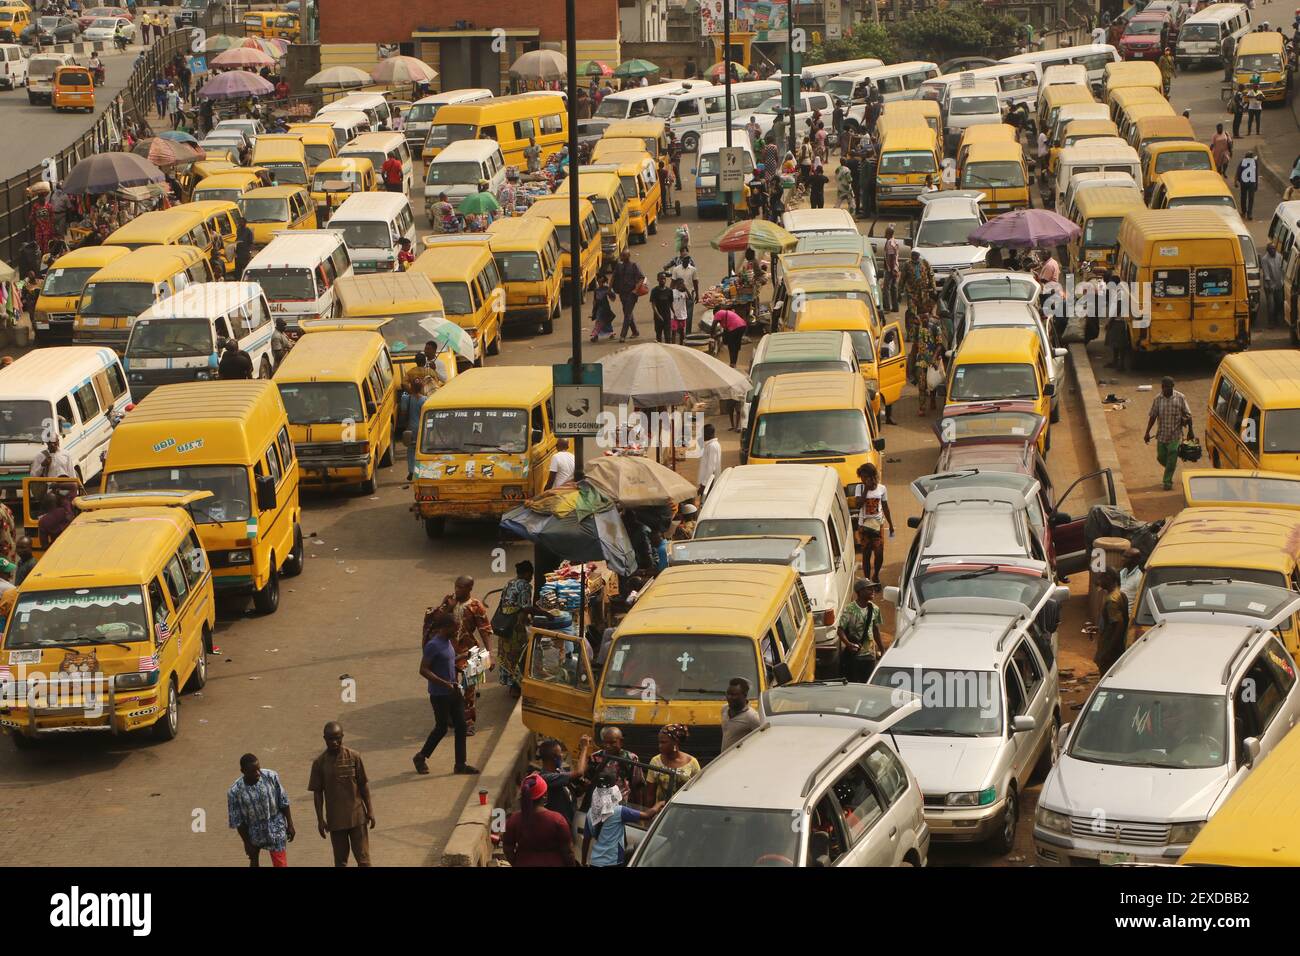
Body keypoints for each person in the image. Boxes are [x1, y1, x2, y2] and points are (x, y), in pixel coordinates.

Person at [414, 609, 479, 775]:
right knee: (441, 728)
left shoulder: (448, 642)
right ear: (445, 627)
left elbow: (448, 661)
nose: (457, 630)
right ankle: (420, 757)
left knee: (461, 726)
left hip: (453, 691)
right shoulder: (433, 645)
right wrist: (443, 683)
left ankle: (460, 764)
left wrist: (464, 655)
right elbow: (423, 670)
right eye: (455, 627)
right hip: (439, 694)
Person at [432, 576, 494, 734]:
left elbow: (485, 631)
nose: (456, 590)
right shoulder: (449, 601)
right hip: (447, 652)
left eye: (461, 587)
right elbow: (436, 622)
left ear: (469, 589)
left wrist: (489, 654)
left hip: (470, 653)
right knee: (449, 687)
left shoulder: (476, 606)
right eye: (456, 586)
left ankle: (468, 723)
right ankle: (450, 716)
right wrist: (448, 608)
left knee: (469, 689)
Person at [308, 722, 374, 867]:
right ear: (324, 738)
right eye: (330, 739)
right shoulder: (319, 763)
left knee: (364, 861)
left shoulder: (354, 757)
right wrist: (320, 819)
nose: (334, 742)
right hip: (336, 821)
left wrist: (370, 810)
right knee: (341, 862)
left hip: (357, 818)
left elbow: (363, 785)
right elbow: (317, 794)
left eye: (337, 738)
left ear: (342, 737)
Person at [582, 768, 661, 867]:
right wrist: (659, 804)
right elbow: (648, 815)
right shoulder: (619, 811)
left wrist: (583, 861)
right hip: (613, 862)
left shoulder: (590, 812)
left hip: (595, 862)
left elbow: (586, 840)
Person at [228, 753, 295, 867]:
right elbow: (238, 821)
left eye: (258, 769)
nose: (258, 773)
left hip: (276, 827)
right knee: (254, 862)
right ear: (243, 771)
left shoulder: (271, 776)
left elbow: (283, 801)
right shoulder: (235, 791)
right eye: (253, 771)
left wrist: (290, 824)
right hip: (253, 832)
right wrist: (247, 843)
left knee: (281, 863)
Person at [502, 773, 575, 866]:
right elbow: (568, 852)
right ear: (544, 795)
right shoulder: (557, 820)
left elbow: (508, 849)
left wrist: (518, 862)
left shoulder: (514, 820)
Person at [1145, 376, 1194, 491]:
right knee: (1161, 457)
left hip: (1175, 435)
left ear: (1173, 386)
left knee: (1172, 452)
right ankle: (1171, 466)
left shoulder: (1180, 397)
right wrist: (1147, 432)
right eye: (1166, 387)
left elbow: (1188, 415)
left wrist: (1190, 430)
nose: (1169, 389)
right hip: (1162, 434)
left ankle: (1167, 482)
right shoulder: (1157, 399)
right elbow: (1153, 416)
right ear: (1162, 387)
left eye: (1171, 387)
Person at [493, 560, 534, 695]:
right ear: (527, 573)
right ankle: (516, 686)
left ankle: (510, 683)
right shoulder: (525, 586)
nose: (532, 577)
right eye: (531, 574)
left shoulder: (510, 583)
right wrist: (545, 613)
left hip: (505, 624)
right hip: (515, 627)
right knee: (519, 654)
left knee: (507, 654)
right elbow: (526, 607)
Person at [537, 736, 591, 830]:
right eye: (560, 753)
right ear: (553, 758)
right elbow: (579, 772)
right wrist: (584, 748)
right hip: (558, 827)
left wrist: (583, 788)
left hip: (570, 822)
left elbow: (574, 793)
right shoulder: (546, 777)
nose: (562, 755)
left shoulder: (558, 771)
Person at [838, 579, 884, 683]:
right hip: (855, 656)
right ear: (860, 591)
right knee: (853, 684)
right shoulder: (849, 609)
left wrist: (882, 649)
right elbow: (840, 630)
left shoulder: (875, 609)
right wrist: (848, 644)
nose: (873, 591)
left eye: (873, 588)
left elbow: (876, 630)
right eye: (869, 589)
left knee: (868, 684)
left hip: (870, 656)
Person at [855, 462, 894, 581]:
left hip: (878, 526)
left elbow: (886, 507)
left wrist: (891, 525)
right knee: (866, 555)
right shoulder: (859, 488)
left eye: (865, 477)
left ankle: (876, 575)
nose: (863, 479)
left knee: (879, 553)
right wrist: (865, 489)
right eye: (861, 477)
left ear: (872, 476)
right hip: (864, 526)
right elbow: (858, 505)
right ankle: (867, 580)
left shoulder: (882, 488)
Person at [645, 724, 702, 803]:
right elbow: (650, 794)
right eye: (659, 742)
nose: (660, 746)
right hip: (662, 811)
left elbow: (697, 790)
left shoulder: (692, 762)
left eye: (664, 742)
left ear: (675, 742)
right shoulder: (655, 761)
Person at [1093, 569, 1128, 676]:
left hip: (1110, 647)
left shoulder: (1112, 600)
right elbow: (1112, 623)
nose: (1099, 581)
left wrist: (1107, 650)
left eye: (1101, 578)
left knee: (1106, 676)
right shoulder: (1120, 594)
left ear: (1108, 578)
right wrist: (1098, 628)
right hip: (1116, 646)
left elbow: (1119, 625)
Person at [611, 249, 644, 341]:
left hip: (631, 294)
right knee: (627, 312)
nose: (622, 257)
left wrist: (635, 290)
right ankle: (635, 331)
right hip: (622, 293)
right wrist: (609, 289)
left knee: (627, 314)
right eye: (621, 256)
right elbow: (613, 277)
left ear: (628, 256)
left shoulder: (634, 266)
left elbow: (641, 278)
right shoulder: (619, 266)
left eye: (624, 256)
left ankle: (622, 335)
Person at [720, 676, 760, 749]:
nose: (729, 697)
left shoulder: (752, 717)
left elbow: (762, 737)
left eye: (734, 695)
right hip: (725, 758)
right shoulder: (724, 709)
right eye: (728, 694)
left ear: (744, 695)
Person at [670, 253, 699, 335]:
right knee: (679, 313)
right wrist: (670, 293)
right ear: (682, 260)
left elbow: (695, 282)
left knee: (689, 314)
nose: (686, 260)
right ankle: (680, 330)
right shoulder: (676, 269)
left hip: (690, 294)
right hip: (678, 295)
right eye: (685, 259)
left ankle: (688, 333)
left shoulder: (693, 270)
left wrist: (697, 294)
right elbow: (673, 282)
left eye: (688, 259)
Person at [900, 249, 933, 315]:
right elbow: (902, 278)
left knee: (923, 313)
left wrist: (933, 287)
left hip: (923, 292)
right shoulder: (907, 264)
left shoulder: (925, 263)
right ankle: (912, 325)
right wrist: (900, 291)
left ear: (919, 255)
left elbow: (931, 275)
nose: (914, 257)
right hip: (912, 292)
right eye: (913, 255)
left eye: (916, 255)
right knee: (911, 312)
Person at [695, 422, 722, 500]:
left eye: (703, 434)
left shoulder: (712, 446)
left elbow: (711, 468)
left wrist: (704, 485)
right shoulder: (711, 445)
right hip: (708, 482)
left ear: (708, 434)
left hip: (709, 483)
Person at [1262, 240, 1284, 327]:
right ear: (1268, 250)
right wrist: (1270, 286)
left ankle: (1276, 319)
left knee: (1279, 303)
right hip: (1269, 286)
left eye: (1274, 248)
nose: (1273, 250)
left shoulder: (1279, 256)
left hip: (1279, 284)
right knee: (1271, 305)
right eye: (1271, 249)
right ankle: (1270, 322)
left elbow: (1282, 270)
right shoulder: (1265, 259)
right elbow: (1266, 275)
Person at [649, 270, 674, 343]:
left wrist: (674, 313)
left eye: (664, 278)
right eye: (661, 278)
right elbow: (653, 305)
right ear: (657, 279)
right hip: (658, 317)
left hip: (667, 317)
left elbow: (670, 304)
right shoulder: (654, 291)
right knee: (658, 336)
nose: (663, 280)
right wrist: (658, 316)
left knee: (668, 336)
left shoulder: (669, 291)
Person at [590, 272, 616, 341]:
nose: (599, 283)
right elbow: (594, 301)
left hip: (606, 309)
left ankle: (609, 333)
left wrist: (609, 292)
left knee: (606, 322)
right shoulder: (596, 290)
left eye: (601, 282)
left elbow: (613, 298)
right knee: (599, 321)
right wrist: (593, 311)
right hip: (599, 309)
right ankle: (595, 335)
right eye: (598, 282)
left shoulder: (607, 288)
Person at [1118, 547, 1144, 613]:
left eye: (1126, 557)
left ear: (1135, 560)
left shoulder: (1139, 577)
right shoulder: (1122, 572)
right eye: (1123, 556)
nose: (1122, 559)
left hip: (1128, 616)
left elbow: (1141, 601)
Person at [882, 224, 900, 313]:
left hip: (891, 269)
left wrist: (892, 269)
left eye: (886, 232)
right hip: (895, 267)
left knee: (886, 288)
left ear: (889, 233)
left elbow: (891, 257)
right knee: (893, 287)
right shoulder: (894, 241)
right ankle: (895, 307)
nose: (884, 234)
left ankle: (887, 307)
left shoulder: (890, 243)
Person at [1236, 149, 1259, 219]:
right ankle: (1249, 214)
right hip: (1251, 182)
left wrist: (1239, 181)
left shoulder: (1242, 162)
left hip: (1244, 182)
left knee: (1243, 197)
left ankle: (1243, 212)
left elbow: (1238, 172)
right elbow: (1256, 174)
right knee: (1251, 198)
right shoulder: (1255, 162)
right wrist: (1256, 184)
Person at [668, 276, 689, 344]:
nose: (681, 285)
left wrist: (686, 289)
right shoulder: (672, 292)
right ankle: (674, 346)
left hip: (682, 315)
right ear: (676, 284)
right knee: (674, 332)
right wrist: (673, 313)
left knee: (682, 331)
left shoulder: (684, 292)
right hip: (674, 316)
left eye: (682, 284)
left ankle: (681, 345)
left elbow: (690, 299)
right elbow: (670, 303)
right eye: (679, 283)